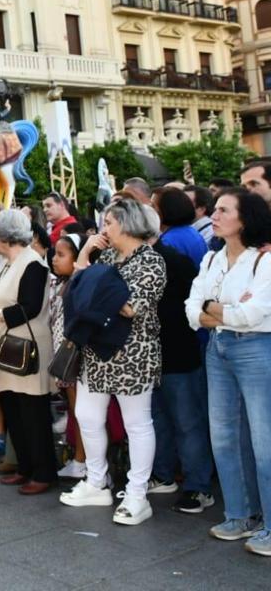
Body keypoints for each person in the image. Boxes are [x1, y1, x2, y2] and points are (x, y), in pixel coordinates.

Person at [60, 198, 165, 526]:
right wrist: (86, 261)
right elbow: (75, 290)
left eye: (109, 223)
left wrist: (96, 291)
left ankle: (136, 494)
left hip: (133, 354)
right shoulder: (105, 256)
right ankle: (96, 481)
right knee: (87, 416)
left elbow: (132, 307)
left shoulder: (151, 261)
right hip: (97, 350)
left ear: (128, 224)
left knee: (137, 423)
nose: (103, 229)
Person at [186, 188, 271, 554]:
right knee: (223, 436)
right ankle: (240, 514)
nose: (214, 215)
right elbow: (191, 311)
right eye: (215, 209)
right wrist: (218, 309)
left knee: (263, 443)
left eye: (224, 210)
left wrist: (212, 309)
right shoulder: (211, 259)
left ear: (244, 218)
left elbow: (251, 315)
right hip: (218, 348)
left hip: (256, 349)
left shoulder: (263, 261)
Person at [0, 210, 56, 495]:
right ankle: (25, 467)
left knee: (33, 413)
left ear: (6, 237)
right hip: (4, 348)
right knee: (14, 409)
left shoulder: (33, 263)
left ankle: (44, 471)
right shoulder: (6, 263)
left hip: (25, 350)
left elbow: (30, 306)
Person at [148, 222, 214, 514]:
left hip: (178, 353)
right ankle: (163, 475)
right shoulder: (135, 262)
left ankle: (197, 487)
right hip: (153, 356)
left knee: (188, 422)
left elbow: (193, 307)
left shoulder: (174, 260)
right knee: (158, 419)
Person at [48, 232, 87, 480]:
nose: (54, 259)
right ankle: (78, 457)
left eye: (61, 255)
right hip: (64, 359)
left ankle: (83, 460)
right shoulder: (62, 283)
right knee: (75, 412)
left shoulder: (78, 283)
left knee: (80, 412)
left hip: (74, 361)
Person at [155, 187, 207, 264]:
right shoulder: (190, 230)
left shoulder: (168, 241)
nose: (148, 209)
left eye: (153, 206)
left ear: (166, 209)